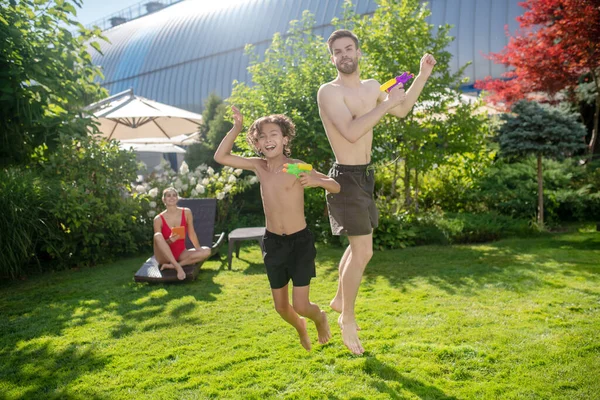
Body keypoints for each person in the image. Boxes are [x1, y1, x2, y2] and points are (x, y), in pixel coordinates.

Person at [317, 29, 437, 354]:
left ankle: (340, 298)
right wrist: (384, 106)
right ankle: (348, 319)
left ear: (358, 52)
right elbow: (353, 132)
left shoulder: (372, 87)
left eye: (349, 49)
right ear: (333, 58)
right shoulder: (328, 92)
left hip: (366, 177)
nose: (344, 55)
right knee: (364, 251)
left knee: (359, 243)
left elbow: (401, 109)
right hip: (346, 178)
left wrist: (421, 76)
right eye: (337, 51)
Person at [214, 106, 339, 351]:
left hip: (299, 243)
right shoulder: (259, 166)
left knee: (301, 305)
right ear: (257, 144)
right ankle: (300, 326)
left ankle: (319, 317)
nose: (268, 140)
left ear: (284, 139)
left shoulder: (294, 166)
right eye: (262, 136)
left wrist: (315, 180)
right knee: (282, 308)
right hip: (273, 242)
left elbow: (334, 185)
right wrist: (236, 128)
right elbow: (221, 157)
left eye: (273, 134)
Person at [153, 187, 212, 280]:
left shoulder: (186, 212)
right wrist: (169, 241)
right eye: (168, 196)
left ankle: (173, 266)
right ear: (164, 199)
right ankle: (178, 267)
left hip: (181, 253)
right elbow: (158, 242)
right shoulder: (158, 219)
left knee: (207, 250)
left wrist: (198, 249)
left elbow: (191, 233)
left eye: (174, 195)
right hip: (163, 256)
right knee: (157, 235)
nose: (172, 197)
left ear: (177, 198)